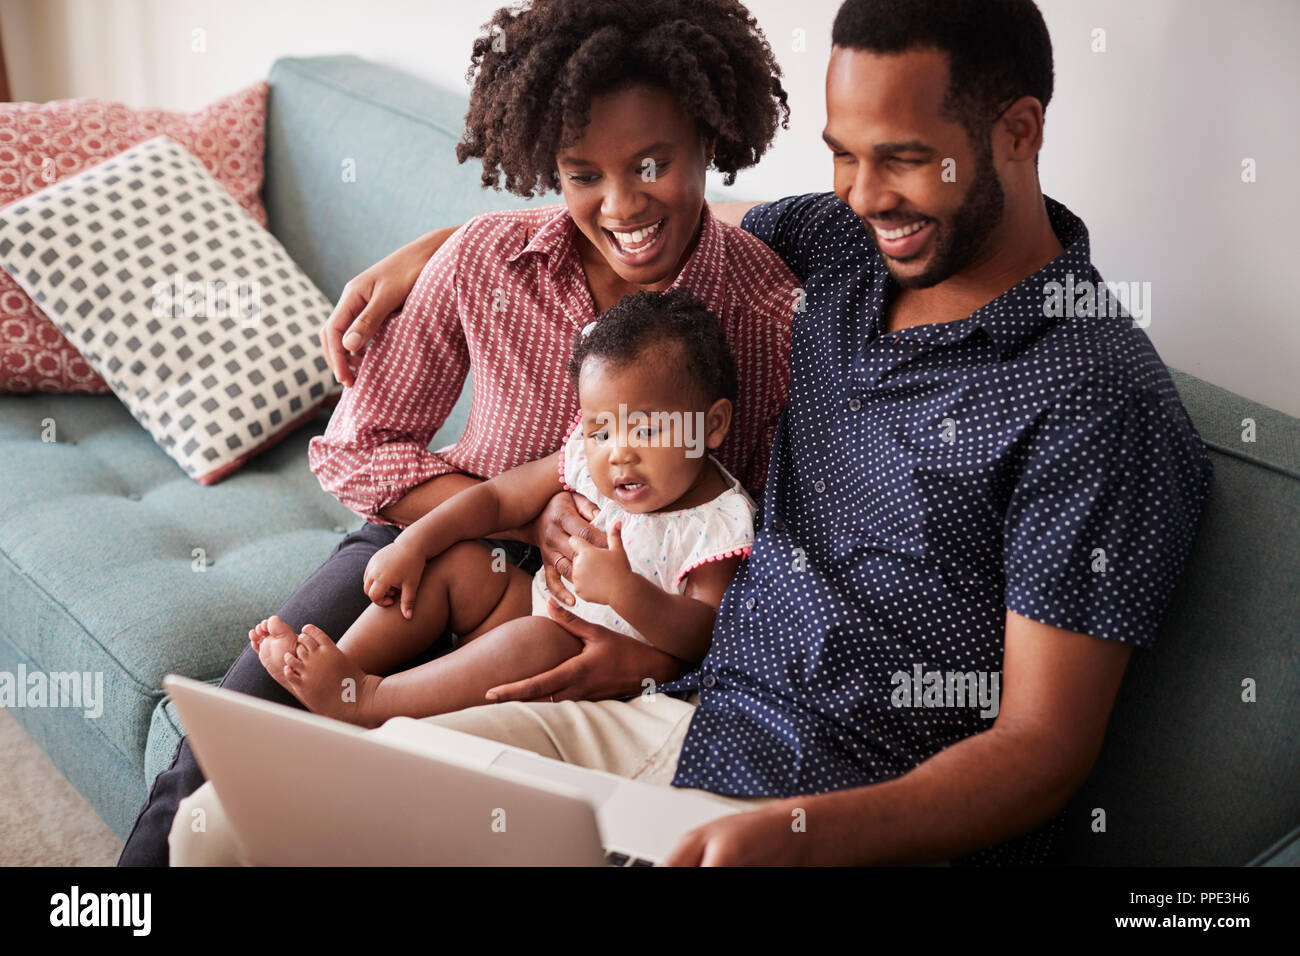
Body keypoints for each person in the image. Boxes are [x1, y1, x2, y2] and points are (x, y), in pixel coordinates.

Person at [172, 0, 1214, 866]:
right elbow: (656, 212)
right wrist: (446, 247)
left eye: (900, 160)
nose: (860, 195)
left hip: (837, 801)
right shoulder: (846, 249)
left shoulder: (1094, 399)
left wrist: (800, 836)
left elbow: (1042, 745)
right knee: (226, 824)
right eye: (842, 157)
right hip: (669, 711)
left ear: (1018, 132)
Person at [116, 0, 799, 866]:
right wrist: (521, 516)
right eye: (583, 173)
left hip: (623, 604)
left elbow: (767, 549)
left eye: (653, 164)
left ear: (710, 137)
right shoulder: (484, 262)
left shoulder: (765, 311)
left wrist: (647, 646)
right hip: (436, 542)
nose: (621, 204)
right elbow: (362, 445)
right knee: (232, 734)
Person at [252, 291, 756, 725]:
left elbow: (701, 635)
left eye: (645, 428)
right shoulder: (587, 456)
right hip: (533, 607)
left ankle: (366, 700)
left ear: (711, 426)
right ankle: (336, 672)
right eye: (602, 429)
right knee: (463, 563)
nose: (618, 452)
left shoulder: (717, 522)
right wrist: (413, 543)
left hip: (589, 663)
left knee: (542, 638)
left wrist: (627, 592)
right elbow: (496, 498)